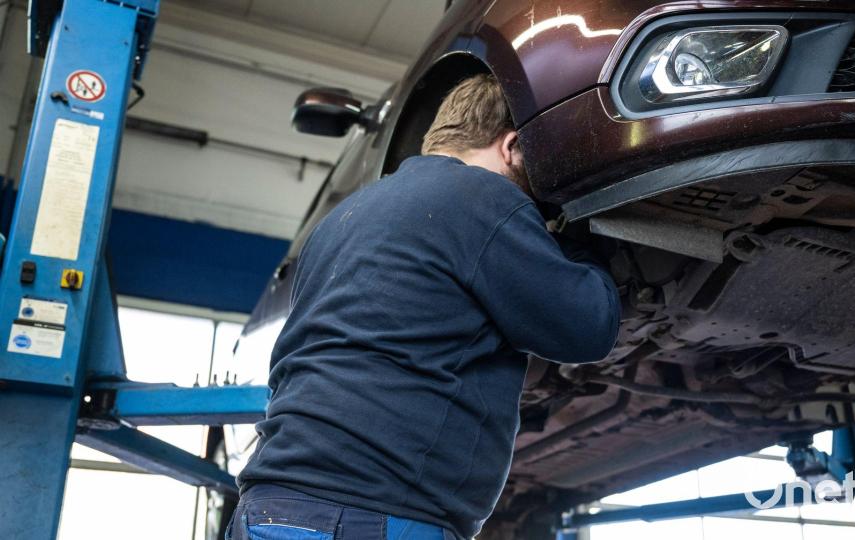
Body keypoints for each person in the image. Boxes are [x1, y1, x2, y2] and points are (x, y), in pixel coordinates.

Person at [230, 74, 620, 540]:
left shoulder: (342, 219)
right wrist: (582, 237)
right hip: (368, 513)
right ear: (512, 146)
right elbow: (587, 327)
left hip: (270, 504)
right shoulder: (483, 196)